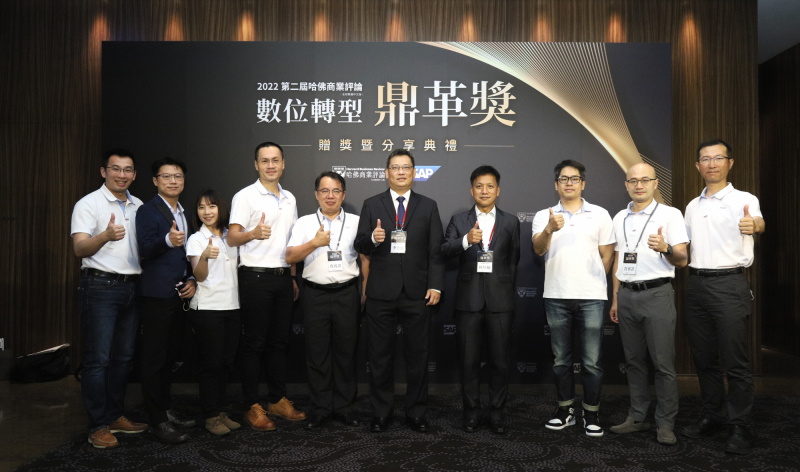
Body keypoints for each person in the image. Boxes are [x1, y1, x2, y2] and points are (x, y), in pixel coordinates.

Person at [680, 139, 765, 455]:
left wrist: (754, 225)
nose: (712, 164)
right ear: (697, 166)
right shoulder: (692, 206)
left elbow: (758, 222)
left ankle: (740, 426)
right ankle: (714, 415)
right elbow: (684, 248)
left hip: (729, 284)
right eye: (705, 159)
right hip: (695, 285)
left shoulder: (745, 199)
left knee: (735, 361)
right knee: (704, 359)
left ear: (730, 163)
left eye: (718, 158)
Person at [354, 149, 445, 433]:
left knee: (418, 357)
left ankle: (416, 413)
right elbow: (359, 243)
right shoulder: (372, 204)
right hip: (381, 291)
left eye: (406, 167)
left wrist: (435, 284)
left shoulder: (428, 206)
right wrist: (373, 238)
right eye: (395, 167)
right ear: (387, 173)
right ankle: (381, 413)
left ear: (414, 173)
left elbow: (436, 251)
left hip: (417, 292)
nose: (401, 172)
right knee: (379, 357)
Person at [71, 149, 148, 449]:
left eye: (128, 170)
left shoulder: (139, 206)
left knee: (123, 359)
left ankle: (115, 415)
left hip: (132, 288)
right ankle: (97, 425)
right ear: (104, 172)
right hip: (100, 287)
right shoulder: (88, 204)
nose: (122, 175)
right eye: (116, 169)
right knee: (98, 360)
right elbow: (79, 249)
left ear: (134, 175)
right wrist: (104, 236)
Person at [532, 159, 615, 437]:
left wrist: (592, 282)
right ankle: (565, 411)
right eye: (564, 179)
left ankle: (591, 414)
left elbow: (607, 255)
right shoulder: (544, 215)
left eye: (575, 178)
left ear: (583, 183)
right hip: (556, 296)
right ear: (556, 185)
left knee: (592, 362)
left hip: (592, 297)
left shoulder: (600, 214)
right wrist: (549, 229)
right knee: (561, 361)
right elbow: (538, 250)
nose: (569, 183)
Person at [607, 163, 689, 445]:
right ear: (626, 185)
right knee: (634, 362)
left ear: (655, 183)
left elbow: (683, 259)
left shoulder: (670, 214)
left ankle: (665, 423)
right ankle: (637, 417)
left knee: (663, 364)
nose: (639, 185)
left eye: (645, 180)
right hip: (626, 295)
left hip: (657, 294)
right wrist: (616, 297)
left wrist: (666, 247)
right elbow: (619, 259)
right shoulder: (619, 217)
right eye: (633, 180)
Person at [227, 142, 304, 431]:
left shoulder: (290, 198)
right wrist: (252, 233)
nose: (270, 165)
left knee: (279, 343)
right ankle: (251, 405)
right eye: (264, 161)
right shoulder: (245, 196)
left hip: (283, 277)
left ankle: (277, 400)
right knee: (254, 344)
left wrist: (292, 277)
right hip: (255, 277)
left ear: (283, 164)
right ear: (256, 165)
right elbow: (231, 238)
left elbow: (292, 243)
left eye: (275, 160)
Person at [441, 165, 520, 434]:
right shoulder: (459, 220)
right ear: (471, 190)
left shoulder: (511, 222)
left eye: (489, 186)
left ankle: (497, 412)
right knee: (468, 361)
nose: (484, 191)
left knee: (500, 362)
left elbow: (513, 261)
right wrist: (465, 240)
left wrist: (505, 290)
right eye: (479, 186)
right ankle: (471, 411)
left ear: (498, 190)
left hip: (501, 301)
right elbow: (445, 250)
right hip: (468, 301)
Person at [286, 172, 365, 430]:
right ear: (316, 194)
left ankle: (344, 407)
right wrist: (315, 242)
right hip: (315, 295)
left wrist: (364, 290)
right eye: (324, 191)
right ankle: (320, 408)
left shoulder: (356, 222)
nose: (330, 196)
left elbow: (366, 258)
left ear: (343, 194)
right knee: (317, 353)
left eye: (336, 191)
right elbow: (290, 257)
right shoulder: (305, 223)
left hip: (347, 293)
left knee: (346, 353)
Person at [135, 156, 196, 444]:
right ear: (155, 180)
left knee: (171, 357)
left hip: (180, 294)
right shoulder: (147, 211)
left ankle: (166, 409)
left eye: (178, 176)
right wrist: (167, 241)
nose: (173, 181)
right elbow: (144, 249)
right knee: (154, 359)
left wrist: (192, 278)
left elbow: (188, 253)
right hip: (157, 295)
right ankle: (157, 420)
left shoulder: (185, 212)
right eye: (167, 176)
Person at [186, 189, 241, 436]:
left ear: (221, 209)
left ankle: (219, 411)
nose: (206, 212)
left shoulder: (232, 237)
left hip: (233, 307)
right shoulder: (196, 239)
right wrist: (205, 257)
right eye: (201, 207)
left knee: (226, 364)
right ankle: (210, 416)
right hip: (208, 309)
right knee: (211, 365)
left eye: (211, 206)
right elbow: (199, 276)